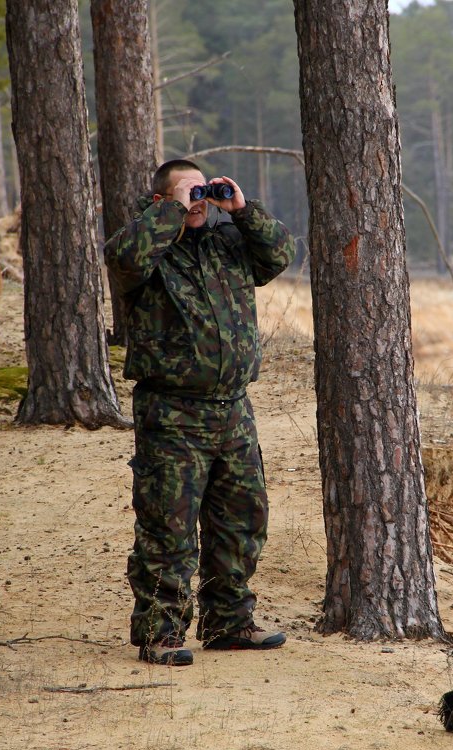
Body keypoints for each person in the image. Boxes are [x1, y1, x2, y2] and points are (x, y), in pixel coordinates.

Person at [104, 159, 296, 666]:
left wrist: (242, 209)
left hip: (233, 409)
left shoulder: (226, 243)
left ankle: (229, 622)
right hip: (172, 413)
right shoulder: (148, 252)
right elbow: (121, 256)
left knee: (241, 521)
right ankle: (160, 632)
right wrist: (171, 213)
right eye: (187, 192)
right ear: (161, 201)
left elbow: (280, 254)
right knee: (169, 529)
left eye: (203, 191)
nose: (199, 201)